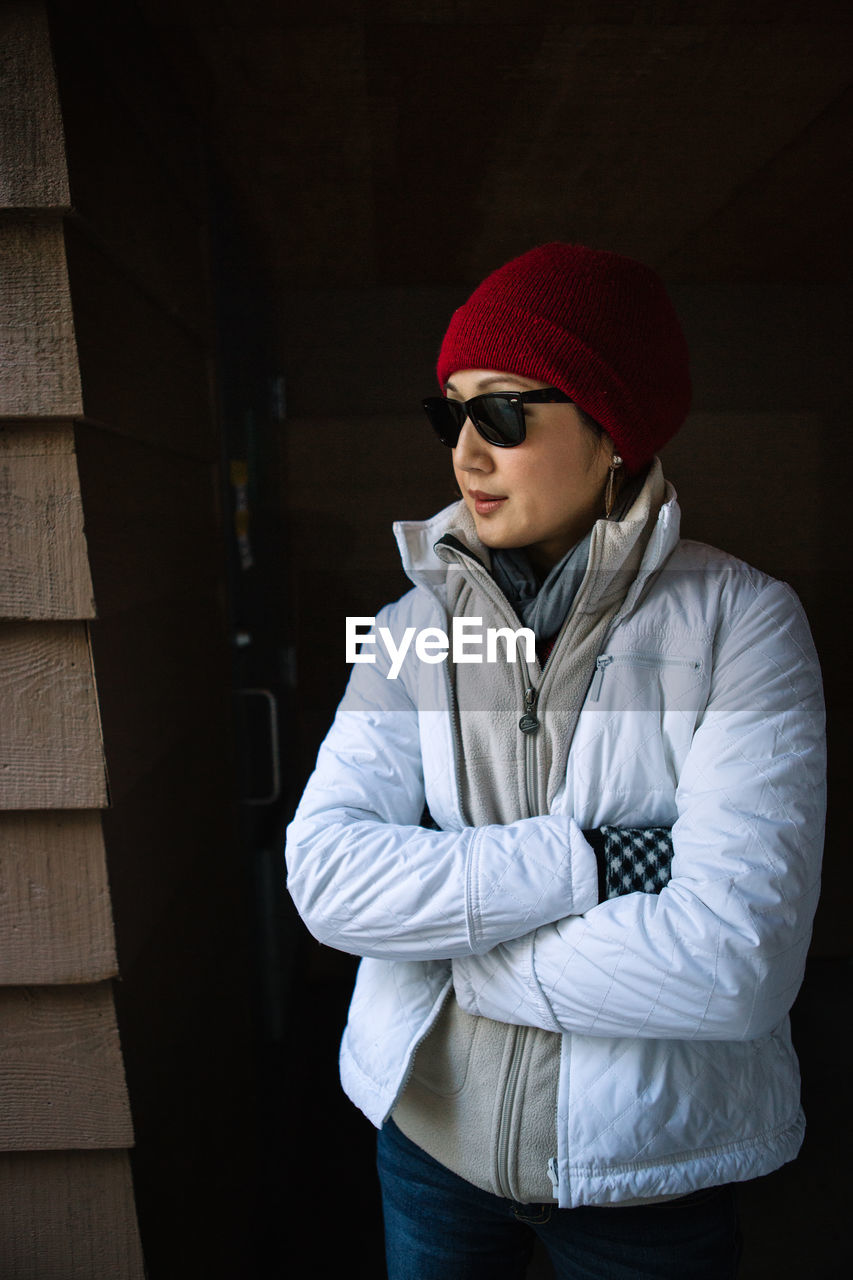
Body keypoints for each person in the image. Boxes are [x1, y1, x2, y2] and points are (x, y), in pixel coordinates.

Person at [285, 242, 826, 1279]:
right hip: (429, 1146)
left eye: (500, 414)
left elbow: (733, 964)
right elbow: (325, 879)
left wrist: (447, 942)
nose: (464, 455)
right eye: (450, 414)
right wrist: (591, 858)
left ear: (610, 427)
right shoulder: (410, 626)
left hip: (648, 1173)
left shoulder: (743, 624)